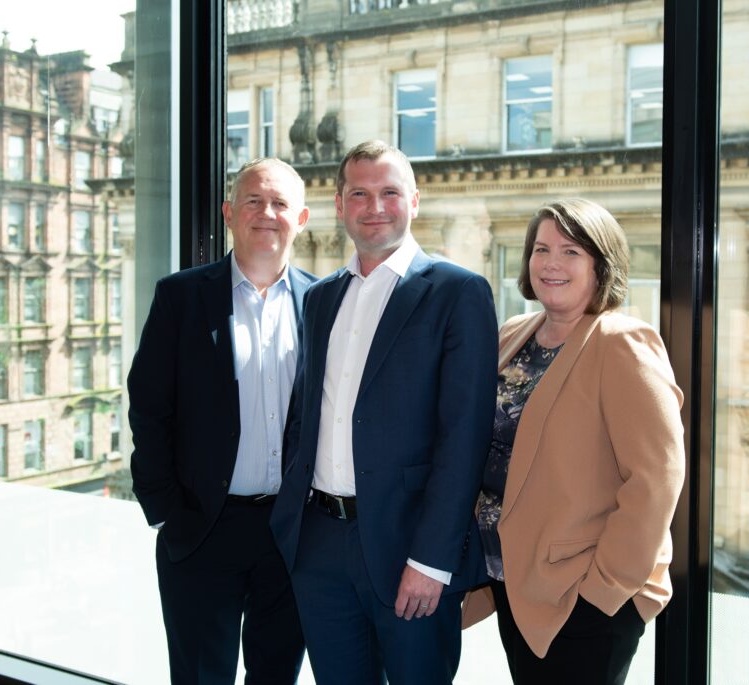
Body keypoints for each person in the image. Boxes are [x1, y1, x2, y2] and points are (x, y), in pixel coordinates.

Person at [270, 140, 498, 685]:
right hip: (318, 544)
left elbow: (464, 440)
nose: (376, 206)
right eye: (361, 193)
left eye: (390, 192)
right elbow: (306, 413)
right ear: (340, 202)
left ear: (414, 201)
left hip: (409, 549)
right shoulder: (320, 297)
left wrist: (431, 560)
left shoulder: (457, 293)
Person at [462, 199, 685, 684]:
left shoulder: (621, 341)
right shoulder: (513, 335)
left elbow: (656, 479)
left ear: (601, 265)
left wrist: (604, 590)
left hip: (581, 594)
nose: (551, 264)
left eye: (571, 251)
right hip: (516, 581)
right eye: (541, 249)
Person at [128, 158, 314, 684]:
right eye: (254, 200)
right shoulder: (181, 297)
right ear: (230, 213)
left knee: (276, 674)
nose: (267, 213)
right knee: (200, 676)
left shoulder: (323, 301)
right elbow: (148, 406)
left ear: (301, 218)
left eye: (280, 203)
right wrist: (164, 508)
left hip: (288, 534)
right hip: (202, 527)